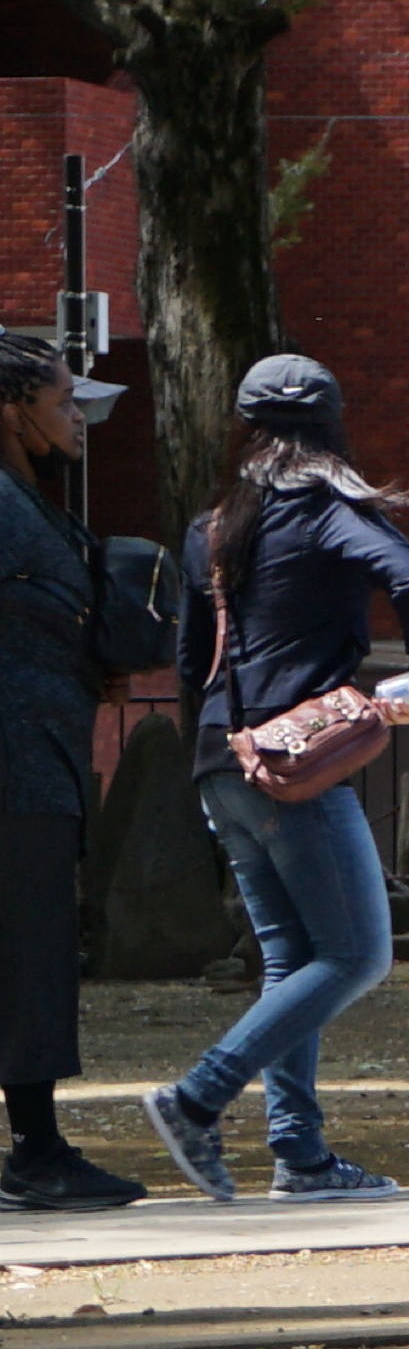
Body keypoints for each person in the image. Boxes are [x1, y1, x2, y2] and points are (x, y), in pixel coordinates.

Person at [144, 353, 409, 1203]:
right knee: (358, 952)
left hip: (219, 753)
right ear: (329, 421)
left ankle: (300, 1155)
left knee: (292, 959)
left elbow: (191, 656)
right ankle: (197, 1096)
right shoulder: (321, 504)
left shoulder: (213, 524)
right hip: (293, 760)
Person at [0, 339, 158, 1210]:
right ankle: (36, 1149)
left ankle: (36, 1145)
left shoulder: (32, 502)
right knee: (28, 954)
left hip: (41, 759)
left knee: (31, 954)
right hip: (15, 766)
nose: (79, 421)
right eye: (63, 404)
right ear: (11, 410)